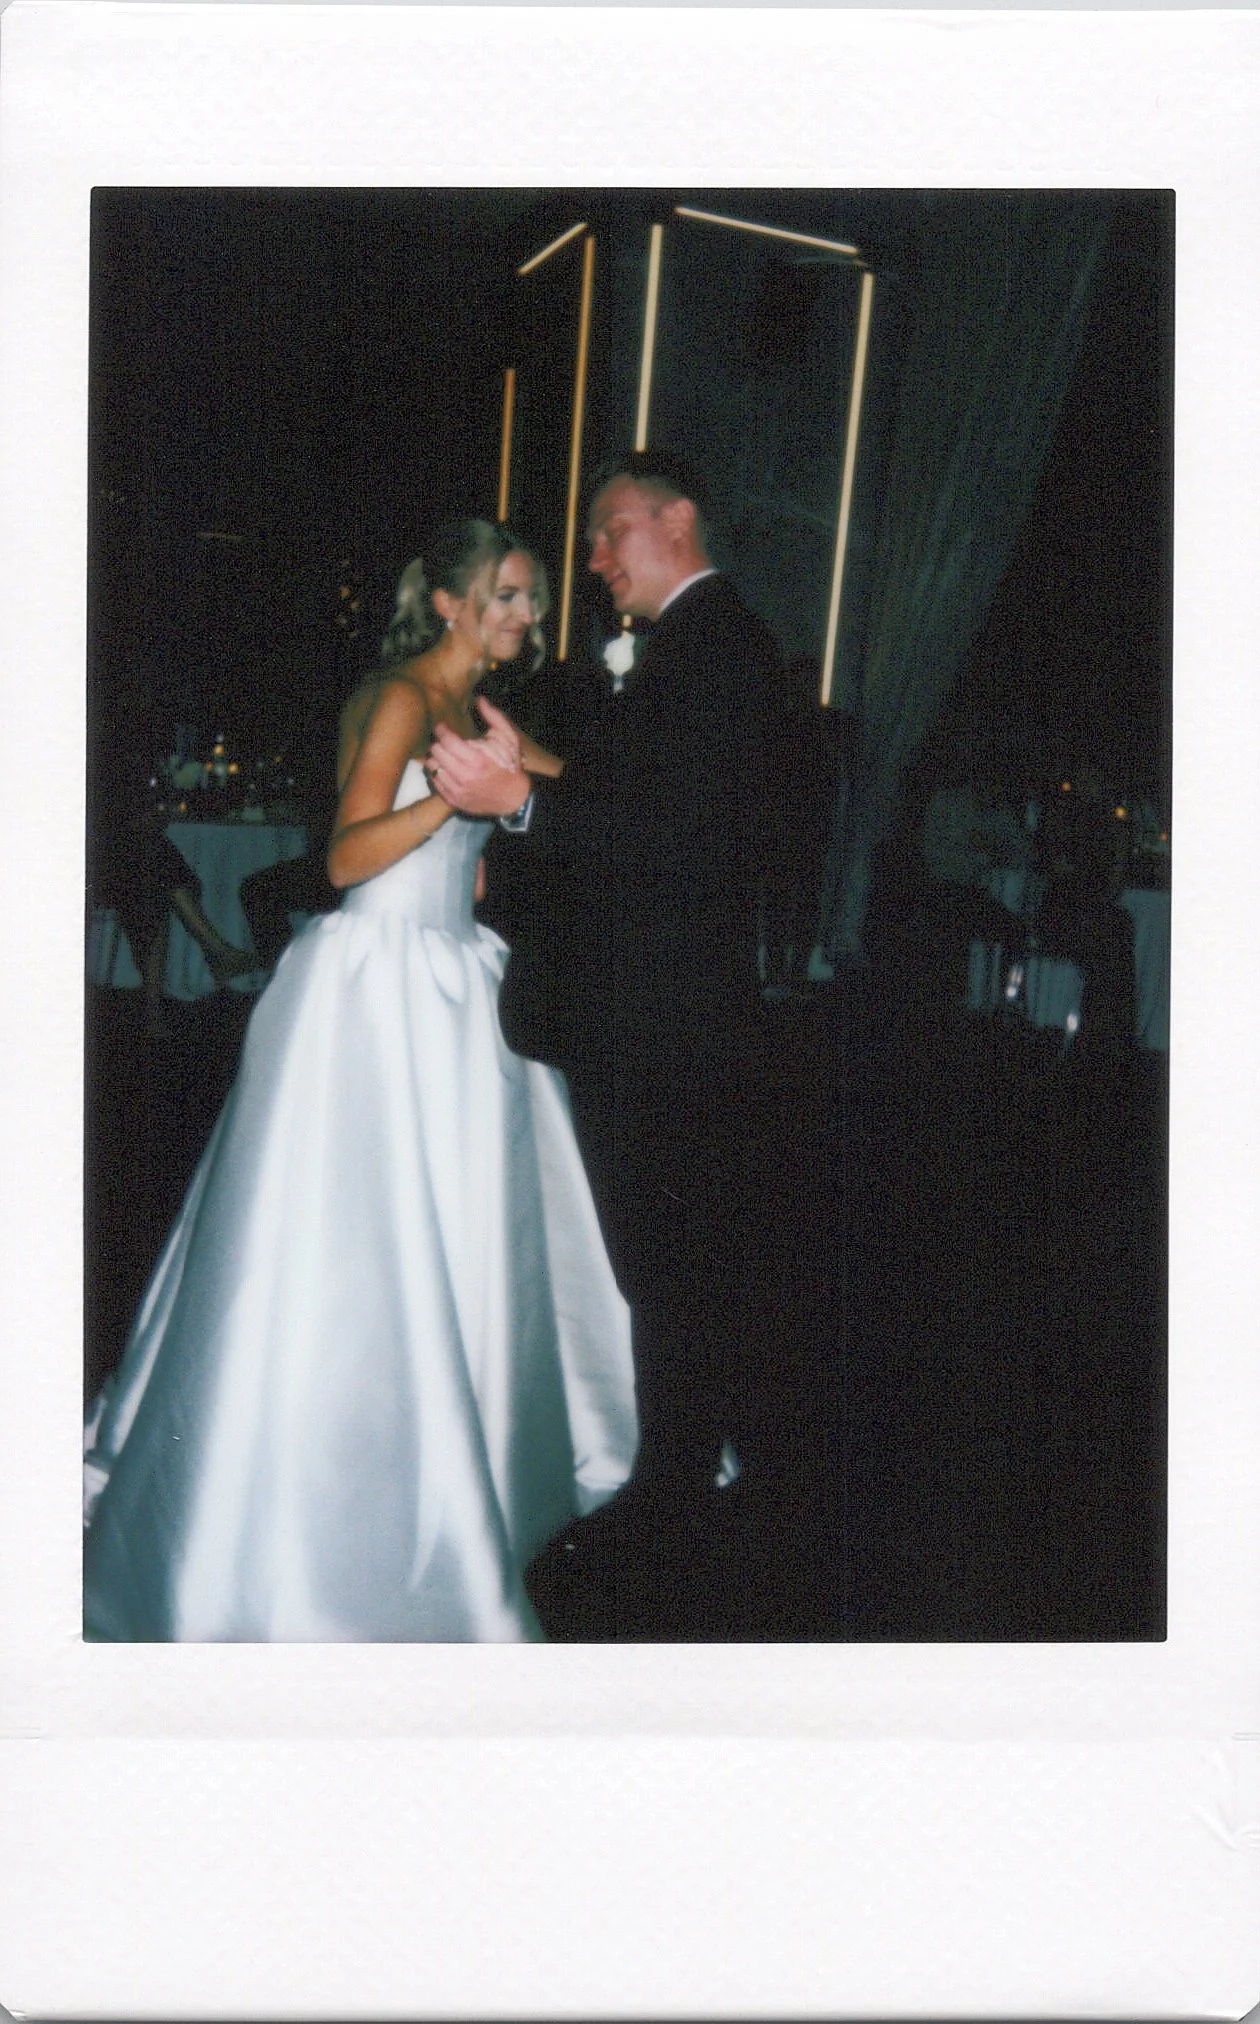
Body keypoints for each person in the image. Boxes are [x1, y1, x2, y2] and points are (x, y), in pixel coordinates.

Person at [82, 522, 638, 1642]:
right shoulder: (394, 698)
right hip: (374, 985)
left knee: (466, 1233)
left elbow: (580, 797)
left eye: (532, 598)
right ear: (449, 601)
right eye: (514, 596)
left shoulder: (480, 708)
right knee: (353, 1248)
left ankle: (463, 1458)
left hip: (454, 981)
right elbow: (340, 860)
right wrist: (457, 798)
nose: (532, 616)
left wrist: (519, 766)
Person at [429, 452, 814, 1630]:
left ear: (677, 517)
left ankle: (675, 1488)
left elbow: (678, 844)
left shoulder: (720, 646)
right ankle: (685, 1463)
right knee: (673, 1256)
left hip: (666, 1014)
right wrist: (535, 763)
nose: (592, 560)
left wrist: (525, 805)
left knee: (672, 1258)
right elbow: (647, 796)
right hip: (658, 1010)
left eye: (607, 533)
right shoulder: (702, 648)